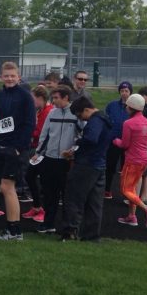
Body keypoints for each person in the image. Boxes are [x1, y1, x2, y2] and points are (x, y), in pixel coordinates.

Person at [0, 62, 36, 241]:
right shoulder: (0, 94)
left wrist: (18, 147)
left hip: (16, 149)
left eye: (12, 76)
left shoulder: (25, 96)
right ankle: (13, 229)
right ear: (1, 76)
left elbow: (30, 123)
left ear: (19, 76)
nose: (9, 78)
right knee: (6, 187)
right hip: (2, 146)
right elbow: (2, 122)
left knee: (7, 187)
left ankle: (14, 230)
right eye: (6, 76)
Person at [61, 97, 112, 242]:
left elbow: (91, 139)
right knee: (94, 203)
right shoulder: (105, 119)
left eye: (79, 115)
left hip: (86, 165)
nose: (80, 119)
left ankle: (70, 231)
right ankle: (91, 235)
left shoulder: (95, 121)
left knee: (73, 198)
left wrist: (78, 142)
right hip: (100, 164)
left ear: (86, 110)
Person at [32, 86, 77, 234]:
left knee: (67, 195)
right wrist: (39, 153)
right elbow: (44, 135)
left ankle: (66, 226)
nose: (54, 101)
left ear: (65, 98)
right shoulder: (52, 113)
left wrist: (73, 151)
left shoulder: (75, 114)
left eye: (57, 98)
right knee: (49, 193)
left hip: (66, 161)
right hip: (50, 159)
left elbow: (81, 136)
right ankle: (48, 223)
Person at [113, 93, 147, 228]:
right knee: (132, 189)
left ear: (130, 107)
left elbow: (125, 144)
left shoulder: (129, 123)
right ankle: (132, 217)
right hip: (144, 159)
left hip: (133, 160)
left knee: (125, 190)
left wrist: (115, 141)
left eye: (127, 105)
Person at [21, 85, 53, 222]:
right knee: (30, 177)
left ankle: (44, 209)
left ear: (40, 98)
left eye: (33, 99)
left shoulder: (47, 111)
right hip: (37, 148)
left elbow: (41, 132)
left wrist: (27, 131)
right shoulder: (41, 111)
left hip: (42, 150)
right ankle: (37, 206)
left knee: (43, 180)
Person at [103, 81, 133, 199]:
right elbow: (107, 120)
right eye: (122, 91)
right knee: (110, 166)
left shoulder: (134, 107)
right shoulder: (112, 105)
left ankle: (127, 193)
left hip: (128, 143)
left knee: (126, 170)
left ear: (130, 92)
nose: (124, 93)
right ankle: (107, 189)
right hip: (114, 141)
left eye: (126, 91)